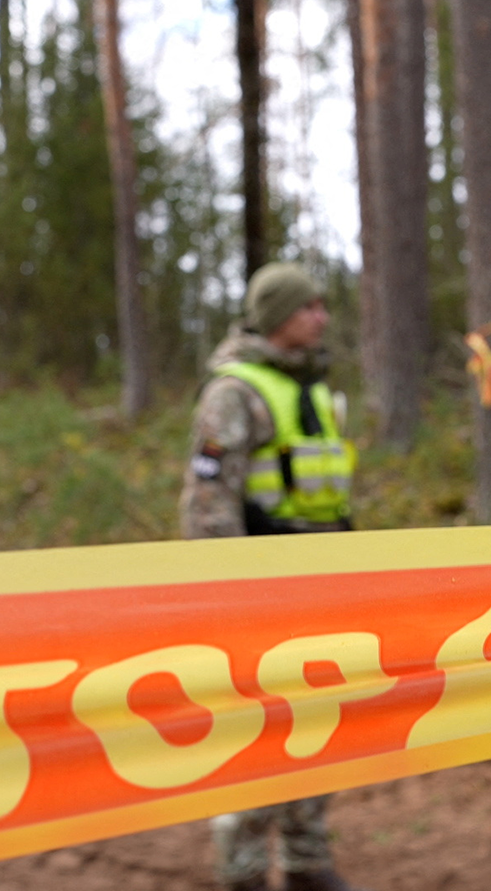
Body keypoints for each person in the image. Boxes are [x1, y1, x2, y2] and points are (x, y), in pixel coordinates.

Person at [180, 262, 363, 891]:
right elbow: (208, 505)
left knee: (318, 724)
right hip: (258, 595)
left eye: (322, 305)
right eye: (308, 306)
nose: (321, 317)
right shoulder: (235, 393)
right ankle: (245, 873)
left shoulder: (313, 389)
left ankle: (308, 863)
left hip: (319, 590)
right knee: (253, 733)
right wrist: (229, 597)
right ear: (277, 315)